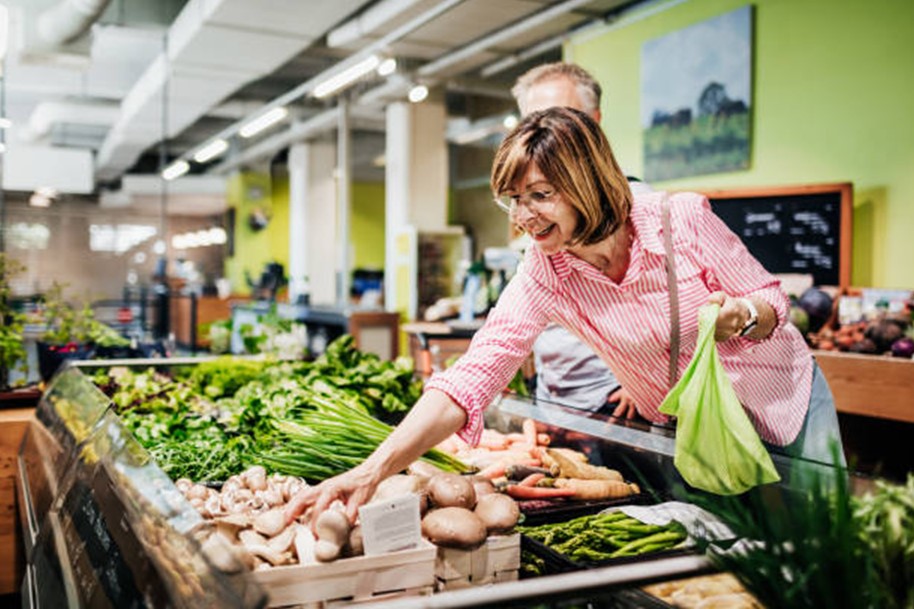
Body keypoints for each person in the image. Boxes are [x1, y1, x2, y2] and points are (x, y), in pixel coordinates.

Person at [286, 106, 844, 525]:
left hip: (779, 403)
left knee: (820, 543)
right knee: (732, 554)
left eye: (540, 195)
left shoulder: (680, 220)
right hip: (693, 430)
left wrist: (741, 315)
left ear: (585, 180)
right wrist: (371, 470)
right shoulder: (545, 272)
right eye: (514, 199)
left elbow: (774, 303)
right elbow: (472, 377)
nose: (523, 217)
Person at [511, 62, 644, 418]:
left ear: (594, 122)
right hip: (554, 401)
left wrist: (648, 381)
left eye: (561, 120)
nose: (545, 137)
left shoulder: (641, 209)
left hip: (615, 405)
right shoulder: (532, 214)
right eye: (533, 124)